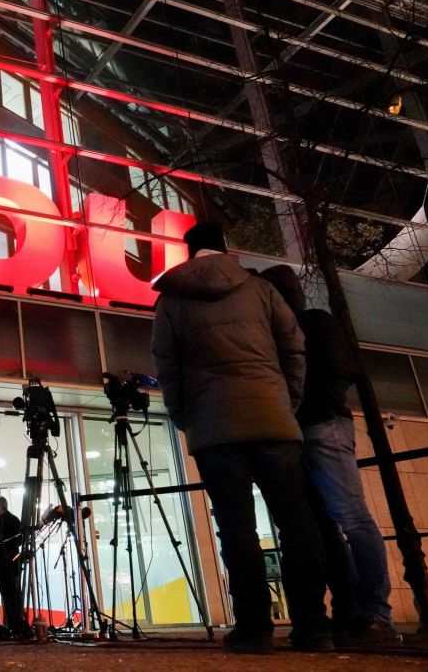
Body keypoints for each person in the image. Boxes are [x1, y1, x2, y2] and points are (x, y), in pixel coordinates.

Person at [150, 222, 330, 654]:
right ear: (226, 247)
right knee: (296, 522)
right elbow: (294, 346)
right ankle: (312, 627)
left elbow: (166, 363)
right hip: (272, 418)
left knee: (236, 529)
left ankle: (253, 628)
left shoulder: (173, 299)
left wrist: (184, 416)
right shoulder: (260, 290)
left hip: (214, 427)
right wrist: (287, 401)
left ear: (188, 251)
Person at [261, 265, 397, 645]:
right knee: (332, 523)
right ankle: (356, 610)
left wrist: (310, 406)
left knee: (347, 519)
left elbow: (340, 370)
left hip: (318, 425)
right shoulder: (307, 324)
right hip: (312, 426)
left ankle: (373, 612)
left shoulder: (311, 325)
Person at [0, 497, 25, 636]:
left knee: (11, 594)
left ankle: (13, 623)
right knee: (8, 594)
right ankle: (11, 623)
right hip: (5, 563)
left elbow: (15, 540)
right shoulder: (7, 520)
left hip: (7, 563)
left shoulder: (9, 521)